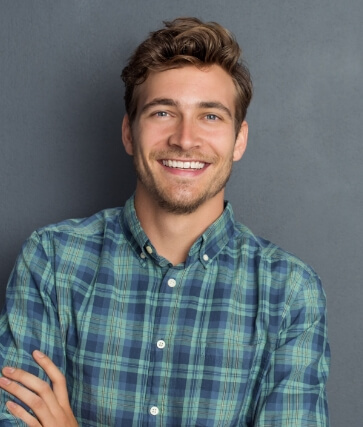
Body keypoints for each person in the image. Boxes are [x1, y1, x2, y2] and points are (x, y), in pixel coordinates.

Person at [0, 17, 330, 426]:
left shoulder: (289, 294)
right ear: (128, 133)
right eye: (162, 112)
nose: (185, 138)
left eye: (210, 116)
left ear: (239, 140)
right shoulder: (51, 261)